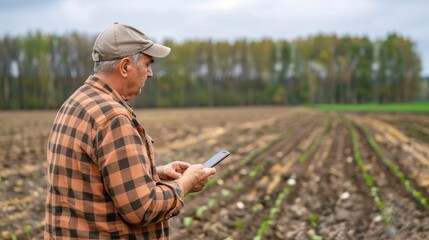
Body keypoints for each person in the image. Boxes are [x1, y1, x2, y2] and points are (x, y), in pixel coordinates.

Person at [45, 22, 216, 239]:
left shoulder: (77, 102)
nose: (151, 73)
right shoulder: (113, 118)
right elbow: (143, 208)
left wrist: (155, 174)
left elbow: (95, 178)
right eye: (147, 64)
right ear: (125, 67)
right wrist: (185, 183)